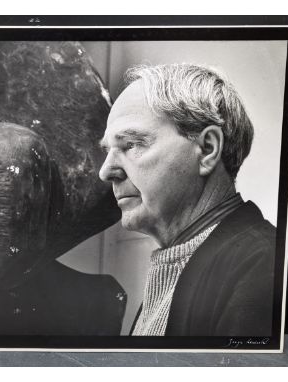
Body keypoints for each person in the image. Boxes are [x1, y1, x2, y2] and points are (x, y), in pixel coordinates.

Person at [99, 63, 276, 337]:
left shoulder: (265, 267)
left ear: (207, 149)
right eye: (107, 151)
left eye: (131, 144)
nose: (106, 171)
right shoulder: (176, 265)